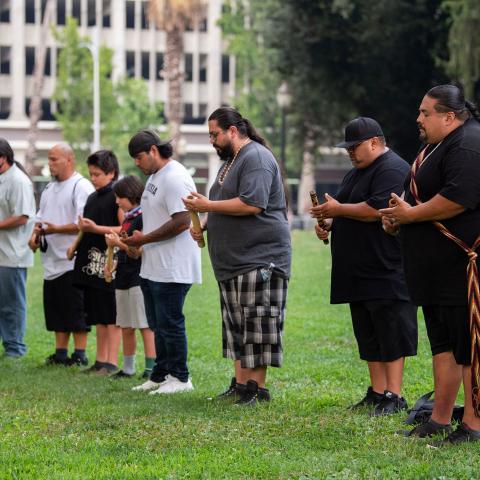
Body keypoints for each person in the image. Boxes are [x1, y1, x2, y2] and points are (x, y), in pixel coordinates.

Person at [380, 85, 480, 445]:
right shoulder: (434, 147)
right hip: (434, 270)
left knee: (469, 348)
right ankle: (439, 419)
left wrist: (410, 214)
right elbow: (418, 200)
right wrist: (397, 218)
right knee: (443, 345)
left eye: (425, 113)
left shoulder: (468, 143)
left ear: (449, 117)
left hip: (461, 266)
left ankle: (472, 424)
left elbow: (458, 198)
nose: (418, 119)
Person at [183, 107, 291, 406]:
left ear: (233, 131)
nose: (212, 141)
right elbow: (222, 203)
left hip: (260, 259)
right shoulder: (230, 162)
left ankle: (257, 389)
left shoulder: (255, 157)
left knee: (257, 325)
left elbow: (252, 204)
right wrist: (205, 223)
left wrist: (207, 207)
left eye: (214, 134)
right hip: (233, 262)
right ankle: (241, 385)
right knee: (238, 328)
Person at [311, 117, 417, 416]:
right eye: (347, 148)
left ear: (375, 142)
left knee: (391, 330)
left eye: (354, 147)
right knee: (368, 331)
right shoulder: (357, 172)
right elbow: (344, 207)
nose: (350, 153)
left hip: (386, 266)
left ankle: (394, 395)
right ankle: (376, 391)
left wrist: (338, 210)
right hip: (358, 268)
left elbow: (377, 209)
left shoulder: (393, 169)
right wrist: (330, 222)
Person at [125, 130, 201, 395]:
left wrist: (144, 239)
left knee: (170, 323)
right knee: (157, 324)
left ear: (154, 150)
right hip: (154, 265)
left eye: (139, 157)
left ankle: (180, 378)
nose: (137, 163)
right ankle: (160, 374)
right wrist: (139, 242)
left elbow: (182, 221)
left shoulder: (176, 177)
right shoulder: (156, 176)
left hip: (173, 265)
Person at [28, 143, 94, 366]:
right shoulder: (48, 188)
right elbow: (40, 218)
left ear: (69, 160)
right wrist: (35, 236)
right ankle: (60, 352)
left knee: (76, 308)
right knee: (56, 307)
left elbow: (84, 223)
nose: (50, 163)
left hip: (71, 258)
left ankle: (80, 353)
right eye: (49, 159)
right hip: (51, 260)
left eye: (54, 159)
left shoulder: (80, 186)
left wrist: (55, 229)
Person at [71, 150, 123, 375]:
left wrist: (96, 229)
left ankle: (112, 361)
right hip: (90, 265)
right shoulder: (93, 197)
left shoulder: (117, 196)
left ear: (111, 173)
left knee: (111, 316)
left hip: (109, 264)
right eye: (91, 174)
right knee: (98, 315)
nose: (93, 178)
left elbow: (125, 229)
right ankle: (100, 360)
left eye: (98, 174)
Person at [104, 175, 156, 379]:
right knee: (125, 324)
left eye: (120, 197)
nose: (117, 202)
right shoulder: (127, 219)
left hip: (138, 276)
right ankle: (128, 368)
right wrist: (113, 266)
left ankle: (151, 367)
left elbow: (140, 250)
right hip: (123, 276)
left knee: (144, 324)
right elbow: (124, 251)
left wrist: (117, 244)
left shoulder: (143, 217)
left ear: (131, 195)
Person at [0, 138, 36, 358]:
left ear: (3, 158)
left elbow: (23, 217)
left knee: (12, 304)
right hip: (1, 252)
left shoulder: (19, 181)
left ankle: (15, 348)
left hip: (12, 254)